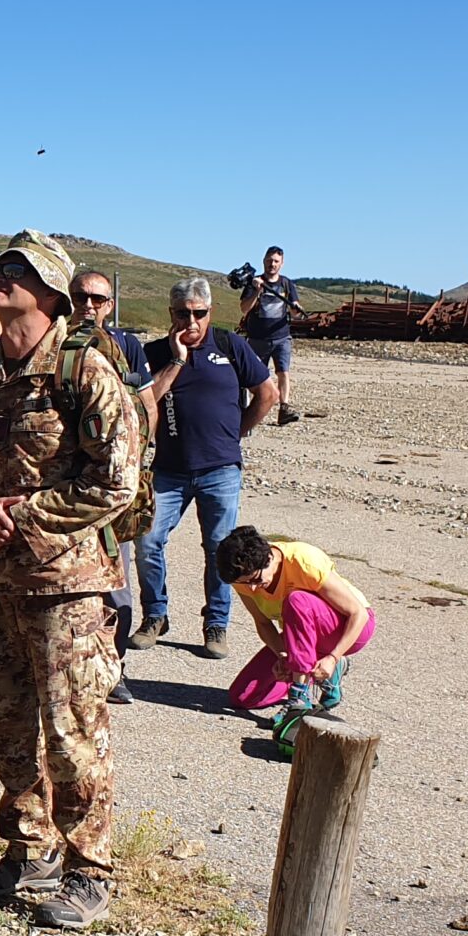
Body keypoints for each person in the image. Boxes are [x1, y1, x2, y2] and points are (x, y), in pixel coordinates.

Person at [0, 230, 141, 931]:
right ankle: (30, 847)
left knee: (74, 731)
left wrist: (23, 515)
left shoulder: (83, 370)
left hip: (65, 585)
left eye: (14, 272)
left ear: (48, 293)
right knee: (9, 726)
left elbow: (118, 479)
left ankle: (90, 869)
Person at [131, 277, 276, 661]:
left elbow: (268, 393)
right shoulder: (155, 352)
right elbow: (145, 405)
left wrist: (239, 431)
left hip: (220, 470)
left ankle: (216, 623)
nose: (191, 322)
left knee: (221, 550)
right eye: (183, 314)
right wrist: (177, 360)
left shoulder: (230, 345)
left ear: (209, 312)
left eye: (199, 314)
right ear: (171, 314)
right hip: (169, 469)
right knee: (147, 541)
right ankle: (155, 616)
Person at [72, 270, 152, 705]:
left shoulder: (125, 348)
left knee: (116, 588)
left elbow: (146, 404)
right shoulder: (56, 345)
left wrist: (139, 466)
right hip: (67, 495)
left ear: (109, 305)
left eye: (98, 299)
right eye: (81, 296)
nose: (89, 305)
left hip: (110, 497)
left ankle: (114, 669)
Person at [214, 525, 375, 725]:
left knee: (296, 600)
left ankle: (299, 697)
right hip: (301, 638)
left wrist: (333, 657)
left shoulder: (303, 561)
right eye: (246, 583)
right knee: (242, 697)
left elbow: (358, 614)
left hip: (348, 629)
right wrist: (282, 654)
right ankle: (315, 674)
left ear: (269, 559)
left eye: (256, 579)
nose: (253, 588)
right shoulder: (242, 576)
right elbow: (263, 623)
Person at [238, 246, 304, 426]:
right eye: (269, 261)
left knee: (283, 372)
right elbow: (244, 309)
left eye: (275, 261)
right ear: (264, 262)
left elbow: (295, 311)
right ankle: (255, 408)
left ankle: (284, 408)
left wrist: (296, 308)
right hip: (258, 338)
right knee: (255, 375)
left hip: (281, 337)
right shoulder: (254, 283)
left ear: (281, 264)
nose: (272, 264)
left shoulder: (286, 284)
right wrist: (257, 291)